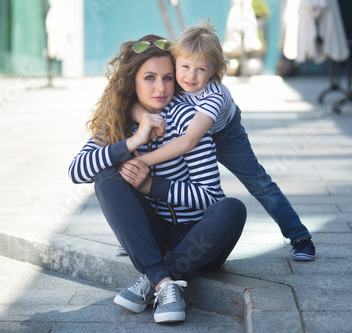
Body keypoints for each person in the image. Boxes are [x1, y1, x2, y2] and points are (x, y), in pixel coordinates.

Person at [68, 34, 247, 324]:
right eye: (150, 78)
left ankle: (154, 277)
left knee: (232, 209)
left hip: (198, 240)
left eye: (167, 78)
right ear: (132, 81)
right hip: (155, 235)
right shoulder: (117, 122)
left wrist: (151, 185)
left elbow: (211, 197)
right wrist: (132, 141)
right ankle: (164, 284)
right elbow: (77, 171)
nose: (161, 88)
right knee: (105, 176)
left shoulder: (188, 120)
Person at [130, 19, 315, 261]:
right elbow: (135, 104)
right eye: (184, 67)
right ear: (175, 62)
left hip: (225, 135)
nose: (191, 76)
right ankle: (145, 238)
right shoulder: (171, 80)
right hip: (187, 133)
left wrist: (143, 160)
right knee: (159, 176)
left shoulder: (214, 95)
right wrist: (147, 120)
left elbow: (189, 141)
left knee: (259, 182)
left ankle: (299, 236)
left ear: (214, 70)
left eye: (201, 70)